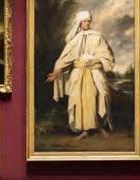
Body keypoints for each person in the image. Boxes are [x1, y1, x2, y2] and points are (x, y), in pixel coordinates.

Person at [45, 10, 115, 140]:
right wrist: (56, 72)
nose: (87, 23)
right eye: (84, 21)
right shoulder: (74, 39)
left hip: (94, 73)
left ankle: (99, 127)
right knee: (80, 101)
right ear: (79, 23)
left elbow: (107, 56)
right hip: (78, 75)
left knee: (98, 98)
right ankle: (85, 130)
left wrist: (97, 61)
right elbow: (66, 58)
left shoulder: (98, 37)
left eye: (88, 21)